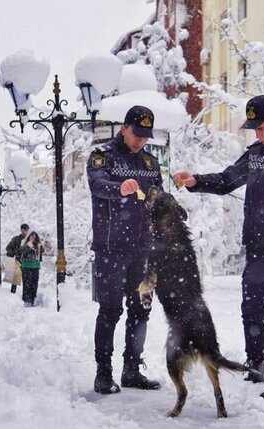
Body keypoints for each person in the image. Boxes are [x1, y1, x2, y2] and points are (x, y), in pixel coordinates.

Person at [172, 95, 264, 400]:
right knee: (251, 309)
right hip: (256, 248)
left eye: (262, 127)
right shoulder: (255, 154)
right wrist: (195, 181)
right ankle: (255, 365)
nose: (257, 134)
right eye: (254, 129)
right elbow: (228, 179)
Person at [87, 105, 163, 395]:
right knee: (110, 310)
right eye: (137, 134)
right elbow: (97, 185)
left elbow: (158, 196)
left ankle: (132, 369)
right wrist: (119, 188)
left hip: (143, 248)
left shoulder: (149, 162)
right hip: (111, 247)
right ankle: (103, 373)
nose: (141, 140)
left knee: (141, 309)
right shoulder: (102, 156)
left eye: (146, 136)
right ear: (124, 128)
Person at [17, 230, 44, 307]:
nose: (33, 237)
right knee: (27, 284)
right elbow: (21, 252)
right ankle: (26, 299)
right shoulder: (25, 244)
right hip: (26, 266)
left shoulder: (38, 245)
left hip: (35, 266)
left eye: (35, 236)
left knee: (34, 284)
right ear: (29, 236)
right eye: (32, 235)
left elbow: (42, 252)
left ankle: (32, 299)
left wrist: (39, 246)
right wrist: (29, 244)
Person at [5, 224, 29, 293]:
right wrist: (15, 252)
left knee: (26, 280)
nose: (25, 231)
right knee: (16, 279)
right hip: (18, 261)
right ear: (21, 230)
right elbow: (8, 248)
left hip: (28, 262)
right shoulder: (16, 239)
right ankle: (13, 295)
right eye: (24, 229)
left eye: (27, 229)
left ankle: (26, 296)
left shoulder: (30, 239)